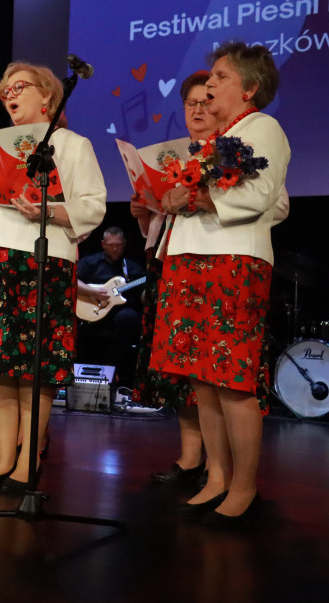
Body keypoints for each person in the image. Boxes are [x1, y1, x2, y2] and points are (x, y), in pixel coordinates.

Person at [150, 42, 289, 526]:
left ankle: (244, 485)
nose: (208, 85)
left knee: (231, 379)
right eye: (209, 77)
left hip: (233, 260)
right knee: (201, 379)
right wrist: (174, 197)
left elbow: (261, 194)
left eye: (220, 77)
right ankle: (216, 476)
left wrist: (200, 198)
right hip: (189, 257)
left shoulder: (263, 128)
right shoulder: (212, 140)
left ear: (249, 88)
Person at [0, 62, 106, 491]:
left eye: (18, 87)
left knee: (33, 366)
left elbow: (93, 205)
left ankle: (29, 459)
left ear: (47, 96)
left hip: (42, 259)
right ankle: (4, 457)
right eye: (4, 90)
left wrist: (49, 210)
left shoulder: (71, 144)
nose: (9, 95)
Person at [131, 71, 217, 484]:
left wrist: (201, 199)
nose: (197, 110)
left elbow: (274, 204)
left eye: (205, 101)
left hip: (209, 267)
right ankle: (189, 456)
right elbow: (164, 225)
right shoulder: (176, 158)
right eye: (190, 103)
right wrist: (145, 214)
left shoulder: (234, 152)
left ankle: (218, 465)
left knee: (206, 367)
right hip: (165, 266)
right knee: (177, 367)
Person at [76, 226, 146, 392]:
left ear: (124, 244)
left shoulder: (132, 268)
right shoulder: (90, 262)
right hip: (94, 310)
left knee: (128, 318)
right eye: (111, 244)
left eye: (118, 245)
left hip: (121, 313)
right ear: (103, 244)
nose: (115, 248)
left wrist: (148, 292)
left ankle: (112, 367)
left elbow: (142, 294)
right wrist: (92, 291)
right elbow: (73, 280)